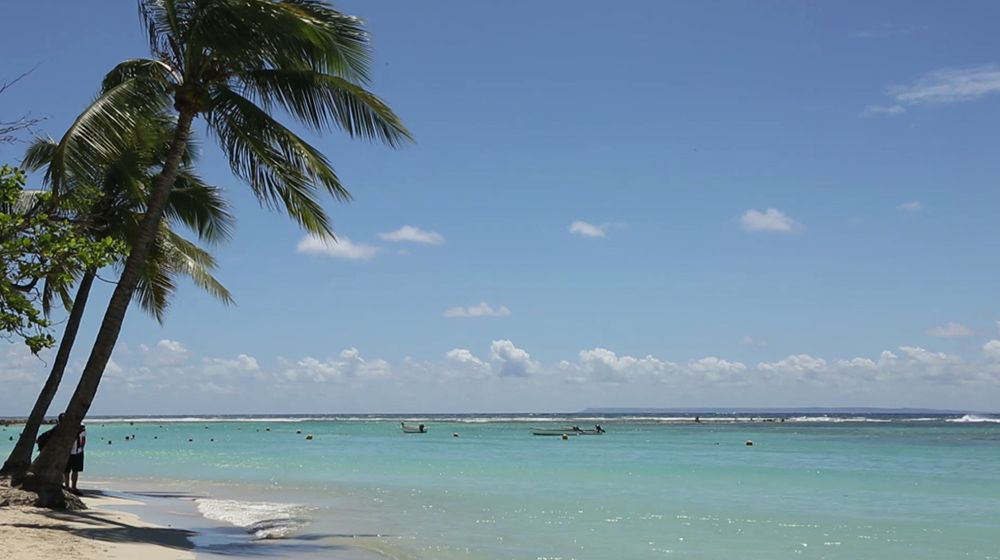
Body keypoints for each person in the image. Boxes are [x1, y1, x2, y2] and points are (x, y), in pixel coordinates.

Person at [64, 417, 86, 495]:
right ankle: (68, 487)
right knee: (67, 471)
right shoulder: (68, 429)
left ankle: (72, 487)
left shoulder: (82, 430)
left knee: (74, 470)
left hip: (77, 451)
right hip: (70, 452)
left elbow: (83, 440)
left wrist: (81, 448)